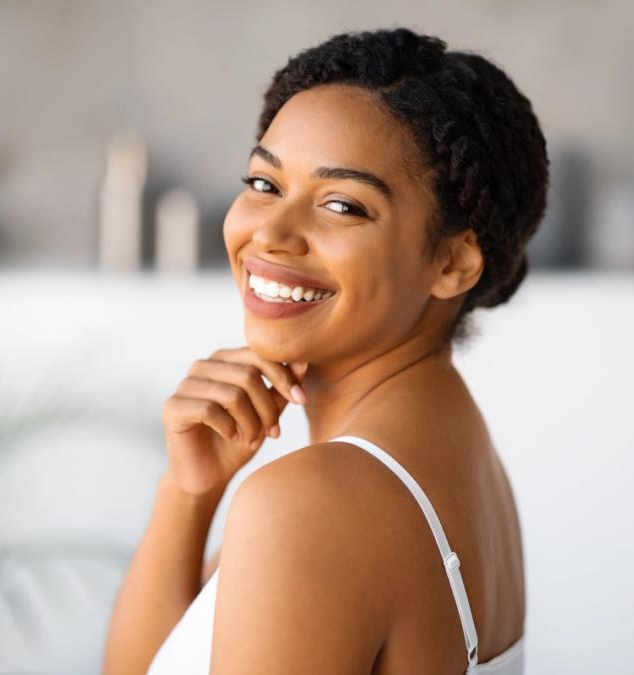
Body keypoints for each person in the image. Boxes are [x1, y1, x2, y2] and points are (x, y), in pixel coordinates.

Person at [103, 26, 549, 674]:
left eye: (342, 204)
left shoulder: (317, 501)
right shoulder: (452, 455)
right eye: (263, 184)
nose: (273, 234)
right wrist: (187, 491)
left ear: (453, 261)